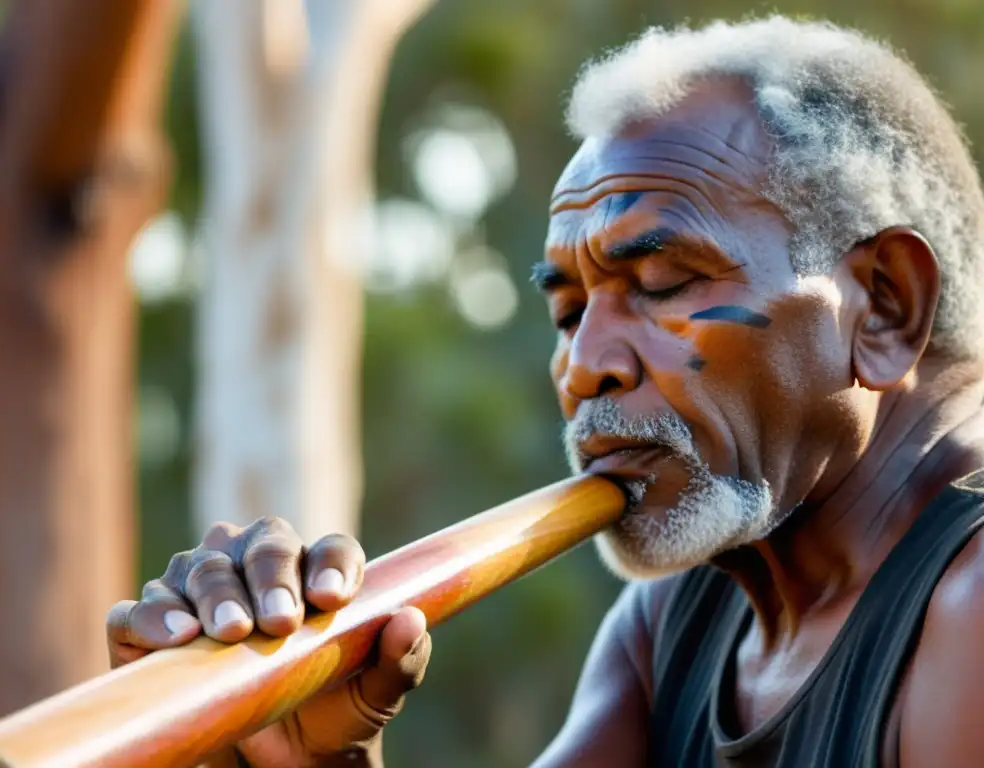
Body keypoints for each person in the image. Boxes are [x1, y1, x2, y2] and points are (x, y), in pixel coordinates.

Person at [107, 15, 984, 767]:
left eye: (666, 281)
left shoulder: (970, 606)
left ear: (884, 308)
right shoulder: (671, 625)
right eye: (569, 314)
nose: (586, 363)